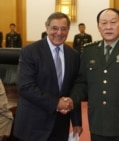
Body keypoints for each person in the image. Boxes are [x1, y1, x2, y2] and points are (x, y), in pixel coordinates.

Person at [69, 8, 119, 141]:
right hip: (98, 121)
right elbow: (82, 83)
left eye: (113, 22)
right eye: (104, 23)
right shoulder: (89, 51)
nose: (108, 27)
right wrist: (71, 100)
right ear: (98, 27)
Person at [13, 12, 82, 141]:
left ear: (68, 29)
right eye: (55, 28)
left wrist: (77, 121)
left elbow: (74, 87)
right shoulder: (30, 51)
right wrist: (57, 103)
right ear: (47, 27)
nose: (59, 33)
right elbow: (25, 87)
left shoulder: (74, 55)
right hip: (33, 126)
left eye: (64, 29)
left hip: (60, 125)